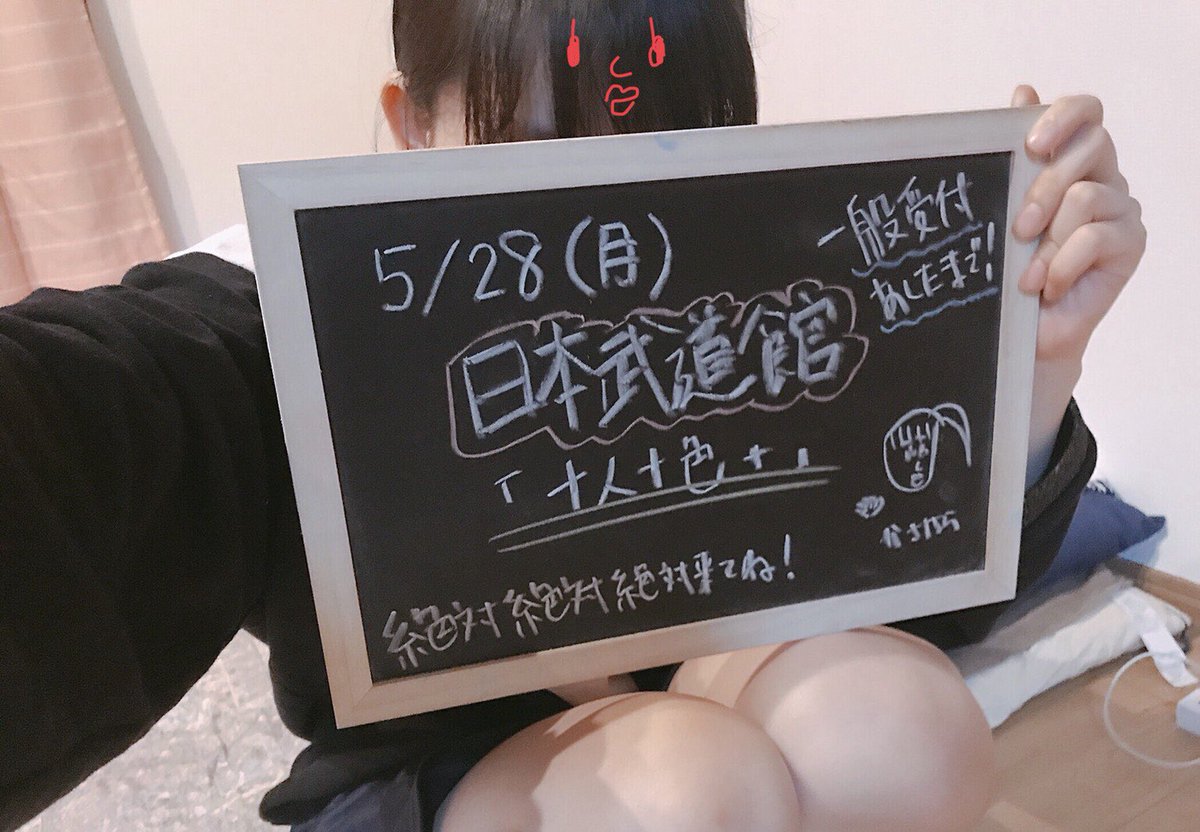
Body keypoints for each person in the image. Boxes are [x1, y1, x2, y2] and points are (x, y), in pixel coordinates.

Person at [0, 2, 1144, 831]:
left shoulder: (772, 279)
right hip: (438, 771)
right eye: (537, 154)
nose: (611, 233)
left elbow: (920, 582)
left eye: (677, 141)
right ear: (409, 122)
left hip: (706, 683)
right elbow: (114, 402)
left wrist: (1042, 355)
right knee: (688, 789)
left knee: (898, 724)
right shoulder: (290, 318)